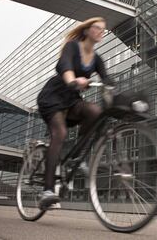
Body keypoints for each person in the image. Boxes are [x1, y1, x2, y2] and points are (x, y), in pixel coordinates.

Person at [37, 17, 113, 209]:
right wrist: (73, 80)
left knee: (95, 111)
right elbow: (64, 66)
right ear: (87, 31)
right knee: (60, 134)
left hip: (72, 101)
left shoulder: (97, 59)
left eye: (103, 30)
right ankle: (47, 191)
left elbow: (107, 80)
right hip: (53, 97)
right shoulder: (72, 46)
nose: (101, 32)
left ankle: (74, 159)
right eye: (97, 28)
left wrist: (113, 94)